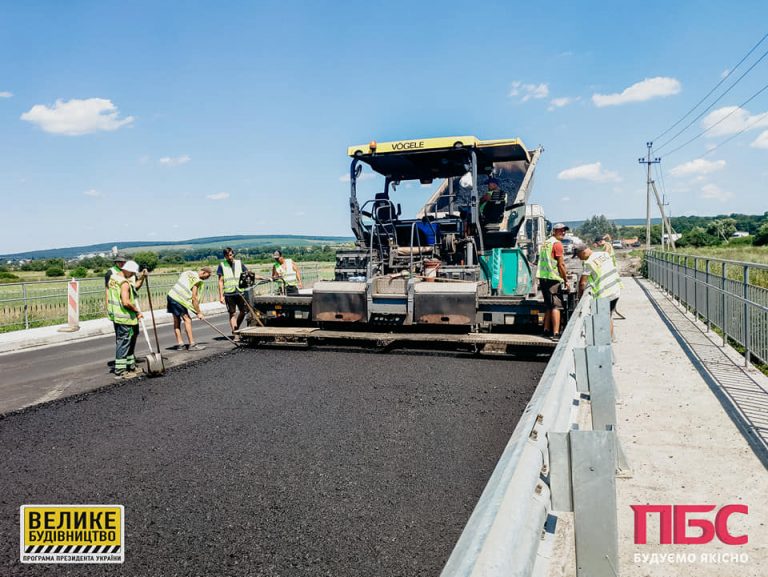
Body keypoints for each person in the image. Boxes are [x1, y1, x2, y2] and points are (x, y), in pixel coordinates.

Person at [574, 243, 622, 335]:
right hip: (615, 289)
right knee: (608, 316)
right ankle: (610, 339)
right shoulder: (604, 254)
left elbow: (582, 283)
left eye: (578, 256)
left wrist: (580, 299)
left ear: (583, 252)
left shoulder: (589, 262)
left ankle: (605, 341)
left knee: (604, 319)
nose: (579, 259)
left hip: (605, 294)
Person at [106, 260, 143, 379]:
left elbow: (134, 287)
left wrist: (142, 278)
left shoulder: (113, 278)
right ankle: (121, 370)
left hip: (116, 316)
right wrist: (137, 311)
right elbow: (126, 302)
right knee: (124, 342)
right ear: (126, 270)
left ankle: (130, 366)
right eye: (132, 273)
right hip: (125, 317)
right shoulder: (124, 282)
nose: (132, 275)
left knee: (128, 340)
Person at [167, 267, 213, 351]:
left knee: (177, 320)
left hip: (171, 295)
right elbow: (194, 298)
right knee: (187, 320)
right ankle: (192, 344)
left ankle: (180, 344)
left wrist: (195, 311)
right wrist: (199, 312)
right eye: (208, 276)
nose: (207, 278)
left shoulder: (188, 272)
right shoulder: (197, 280)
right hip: (178, 299)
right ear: (204, 272)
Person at [536, 223, 569, 340]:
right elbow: (561, 264)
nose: (563, 233)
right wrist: (566, 280)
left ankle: (546, 330)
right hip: (552, 278)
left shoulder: (546, 242)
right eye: (560, 231)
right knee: (556, 306)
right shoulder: (557, 244)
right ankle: (555, 333)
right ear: (554, 231)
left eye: (564, 231)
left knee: (549, 306)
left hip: (543, 277)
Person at [218, 247, 248, 338]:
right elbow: (220, 281)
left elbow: (247, 274)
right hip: (229, 293)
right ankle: (235, 333)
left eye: (230, 255)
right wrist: (221, 296)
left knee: (243, 311)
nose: (229, 257)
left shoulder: (239, 263)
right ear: (225, 256)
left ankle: (236, 328)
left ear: (233, 254)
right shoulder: (222, 265)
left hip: (239, 291)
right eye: (227, 255)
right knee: (232, 313)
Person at [105, 254, 146, 319]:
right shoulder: (111, 272)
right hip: (120, 309)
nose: (122, 263)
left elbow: (135, 287)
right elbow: (107, 291)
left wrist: (143, 277)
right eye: (120, 261)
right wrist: (108, 308)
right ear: (116, 262)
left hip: (130, 306)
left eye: (124, 262)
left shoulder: (131, 271)